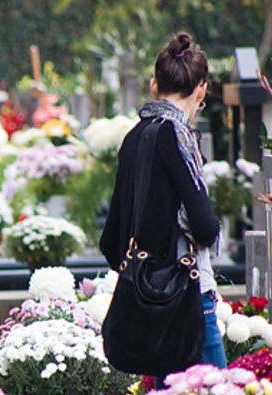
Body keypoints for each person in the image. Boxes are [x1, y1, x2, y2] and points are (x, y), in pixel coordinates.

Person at [99, 33, 227, 372]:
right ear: (201, 89)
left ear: (155, 85)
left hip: (152, 311)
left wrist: (147, 278)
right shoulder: (177, 137)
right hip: (188, 299)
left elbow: (112, 240)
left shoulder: (135, 136)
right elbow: (203, 226)